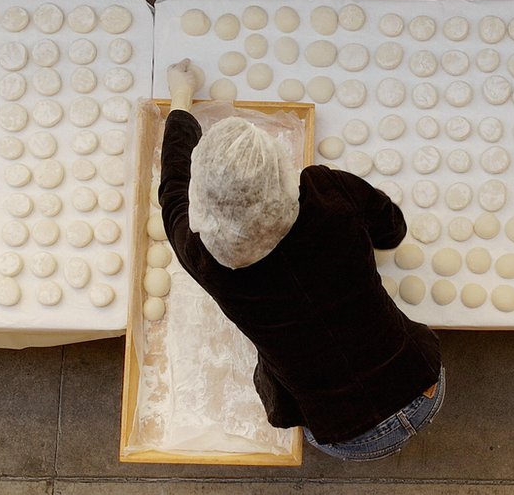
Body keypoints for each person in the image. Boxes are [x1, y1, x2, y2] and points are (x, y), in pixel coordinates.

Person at [160, 59, 444, 461]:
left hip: (349, 438)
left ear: (204, 203)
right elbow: (391, 229)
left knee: (273, 373)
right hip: (424, 384)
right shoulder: (328, 191)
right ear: (279, 169)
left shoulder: (206, 260)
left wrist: (181, 98)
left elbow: (172, 189)